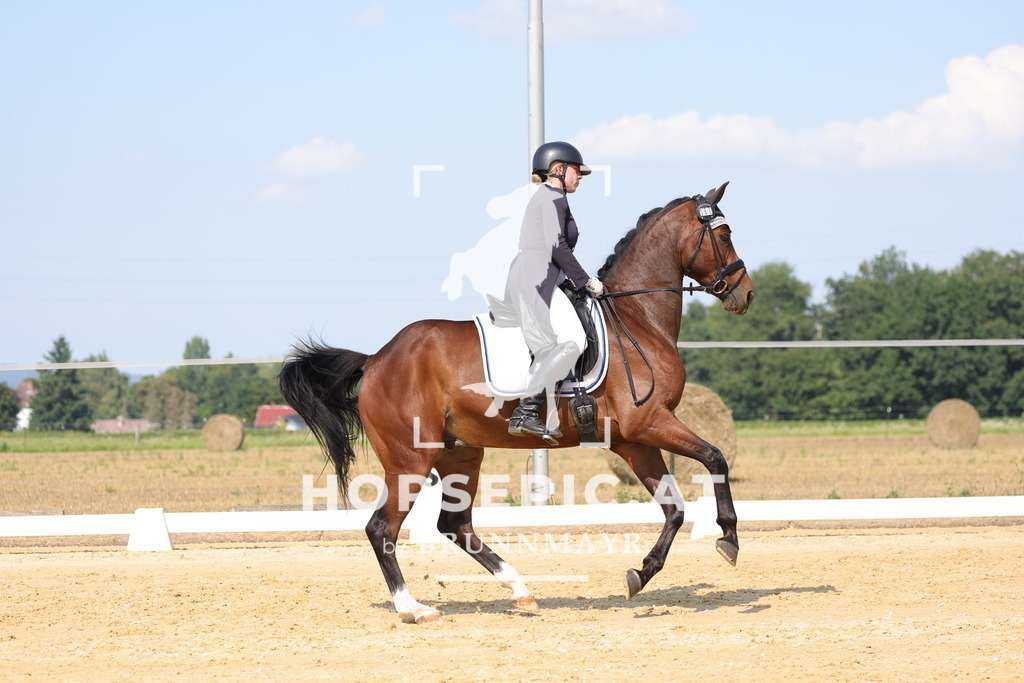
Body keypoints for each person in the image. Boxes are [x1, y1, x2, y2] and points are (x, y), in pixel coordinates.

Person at [487, 141, 605, 441]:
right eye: (577, 171)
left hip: (540, 276)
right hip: (536, 278)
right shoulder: (552, 198)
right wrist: (585, 280)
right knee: (574, 342)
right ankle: (526, 412)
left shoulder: (551, 198)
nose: (580, 177)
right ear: (558, 169)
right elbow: (556, 245)